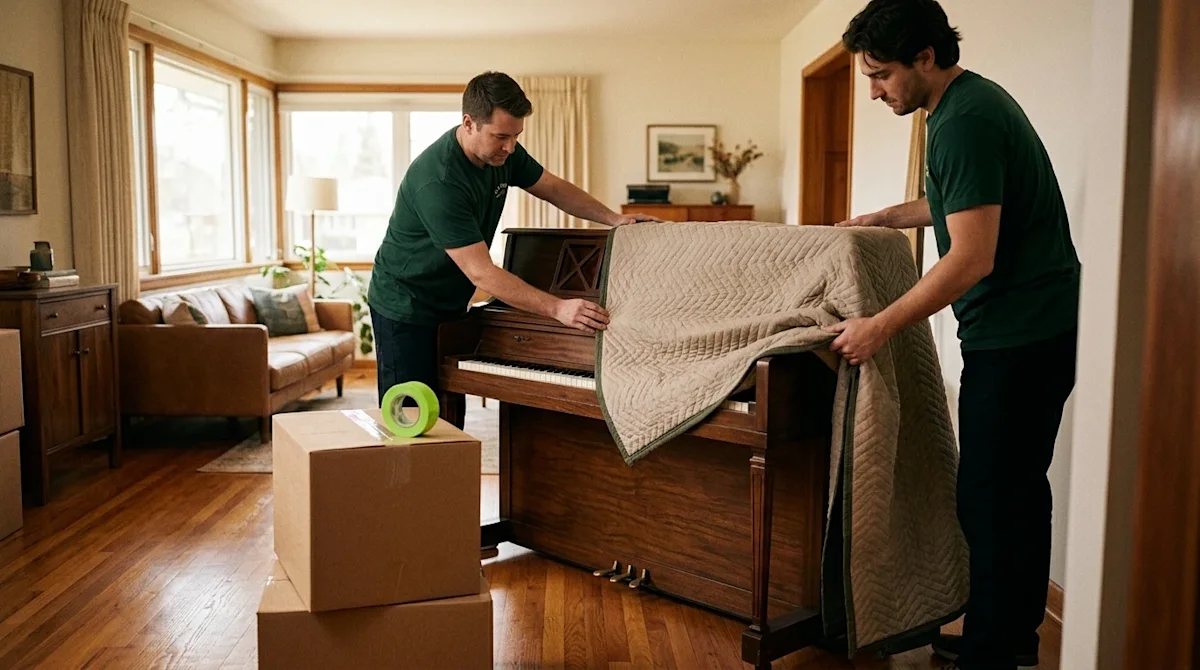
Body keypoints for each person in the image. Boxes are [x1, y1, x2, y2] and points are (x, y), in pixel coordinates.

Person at [831, 1, 1080, 668]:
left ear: (924, 58)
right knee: (1010, 494)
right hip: (1030, 330)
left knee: (996, 502)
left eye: (881, 75)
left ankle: (995, 654)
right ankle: (1004, 641)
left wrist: (878, 327)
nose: (875, 90)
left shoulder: (963, 121)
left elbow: (971, 256)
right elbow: (961, 203)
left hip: (1021, 335)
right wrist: (888, 215)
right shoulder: (965, 105)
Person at [367, 71, 660, 403]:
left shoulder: (502, 153)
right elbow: (482, 272)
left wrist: (614, 219)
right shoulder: (439, 182)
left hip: (451, 300)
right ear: (468, 123)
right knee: (411, 412)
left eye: (515, 136)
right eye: (500, 136)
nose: (510, 147)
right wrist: (557, 308)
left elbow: (552, 187)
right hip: (405, 302)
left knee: (449, 405)